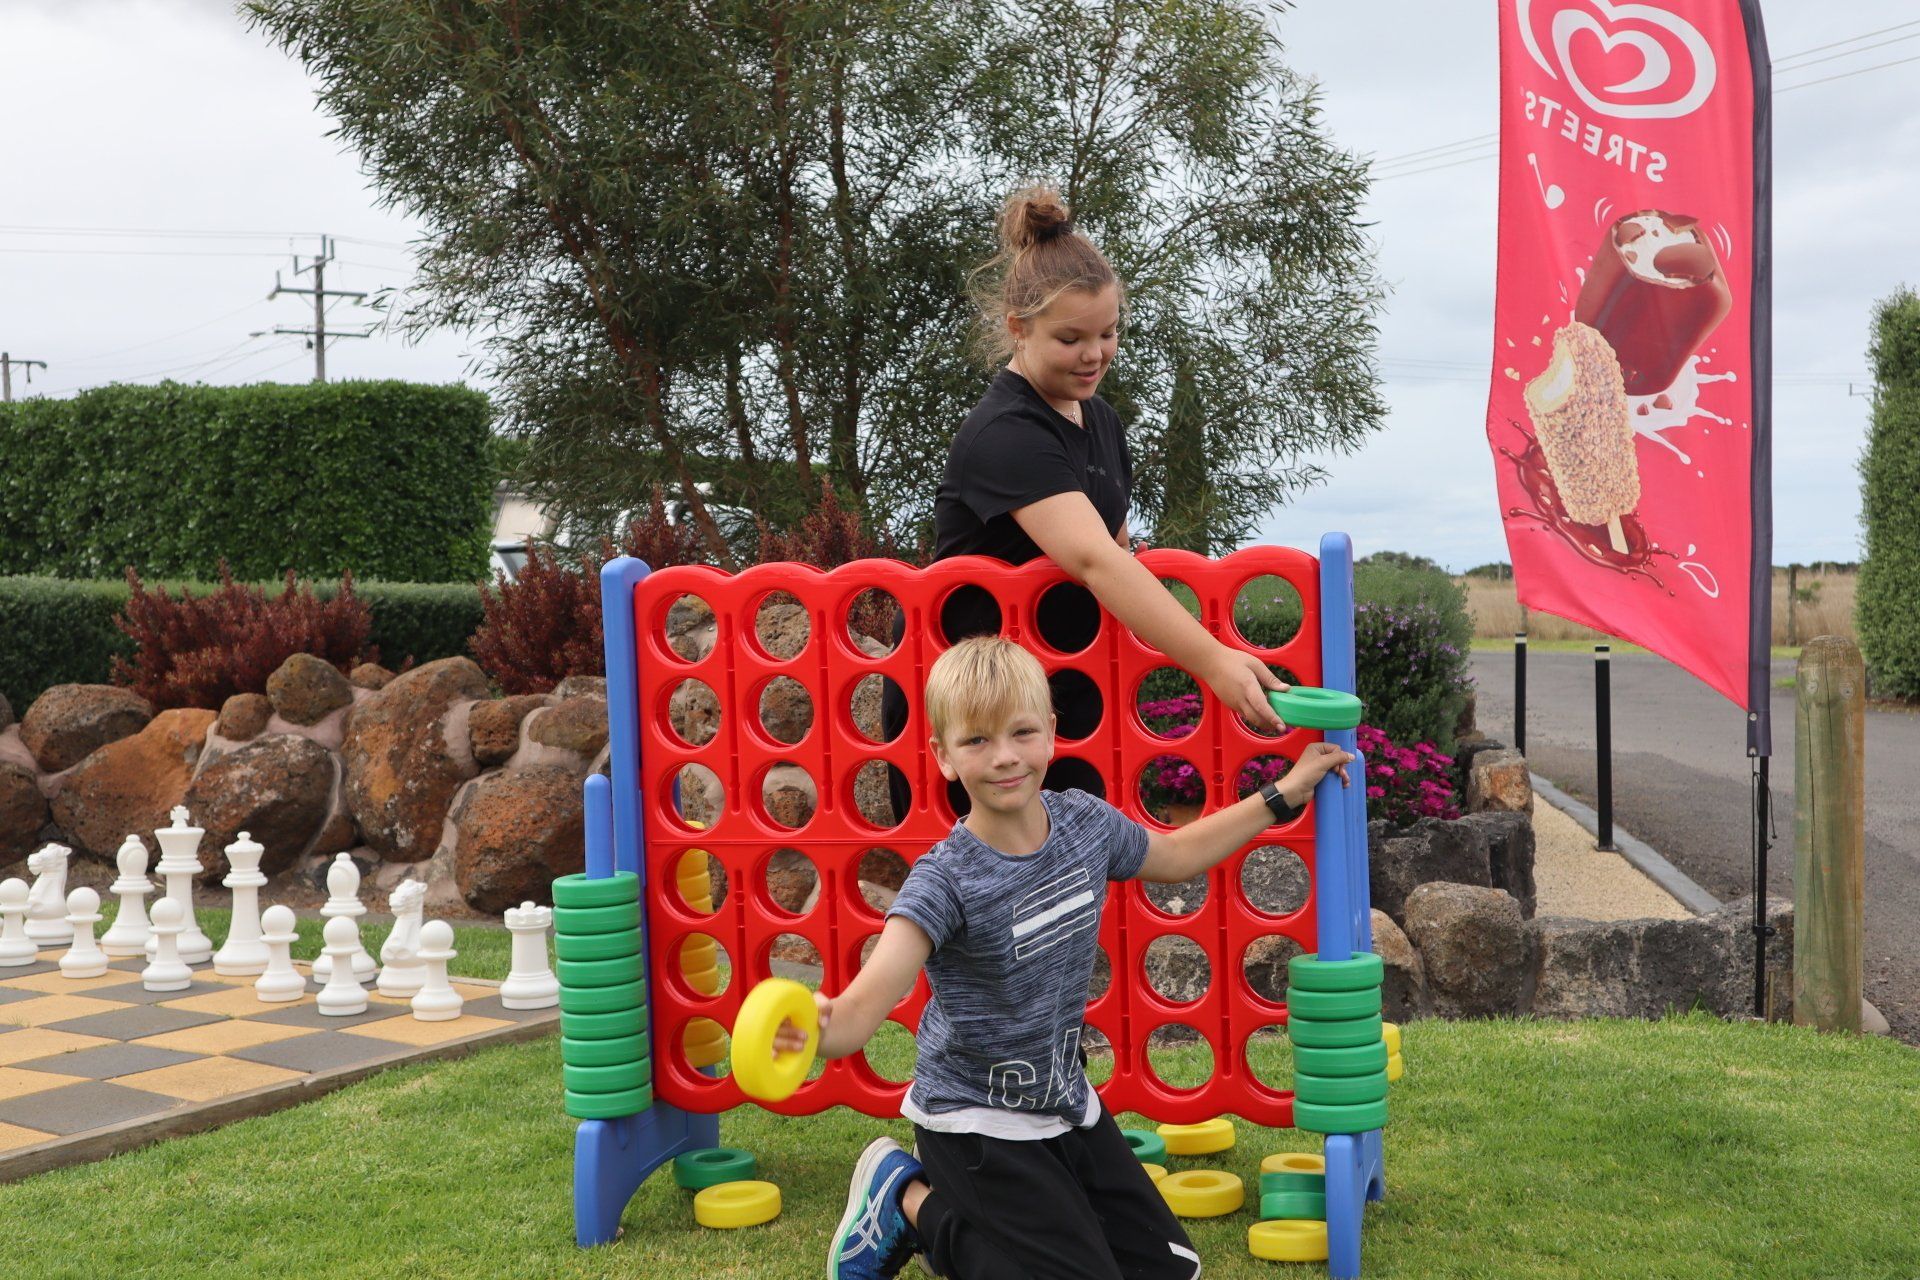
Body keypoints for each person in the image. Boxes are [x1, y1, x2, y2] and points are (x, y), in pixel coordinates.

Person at [785, 636, 1353, 1279]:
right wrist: (815, 1024)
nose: (1005, 758)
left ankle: (917, 1200)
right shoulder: (944, 881)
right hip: (973, 1124)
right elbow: (864, 1005)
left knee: (1173, 1270)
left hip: (1062, 1100)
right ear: (942, 756)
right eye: (976, 741)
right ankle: (908, 1200)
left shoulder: (1085, 824)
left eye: (1022, 732)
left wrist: (1285, 791)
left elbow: (1176, 856)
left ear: (1052, 733)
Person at [882, 185, 1288, 822]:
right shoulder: (1006, 435)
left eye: (1108, 332)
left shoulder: (1099, 420)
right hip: (976, 717)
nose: (1094, 354)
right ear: (1018, 329)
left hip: (1059, 696)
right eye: (1071, 338)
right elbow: (1095, 560)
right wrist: (1214, 661)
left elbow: (1121, 551)